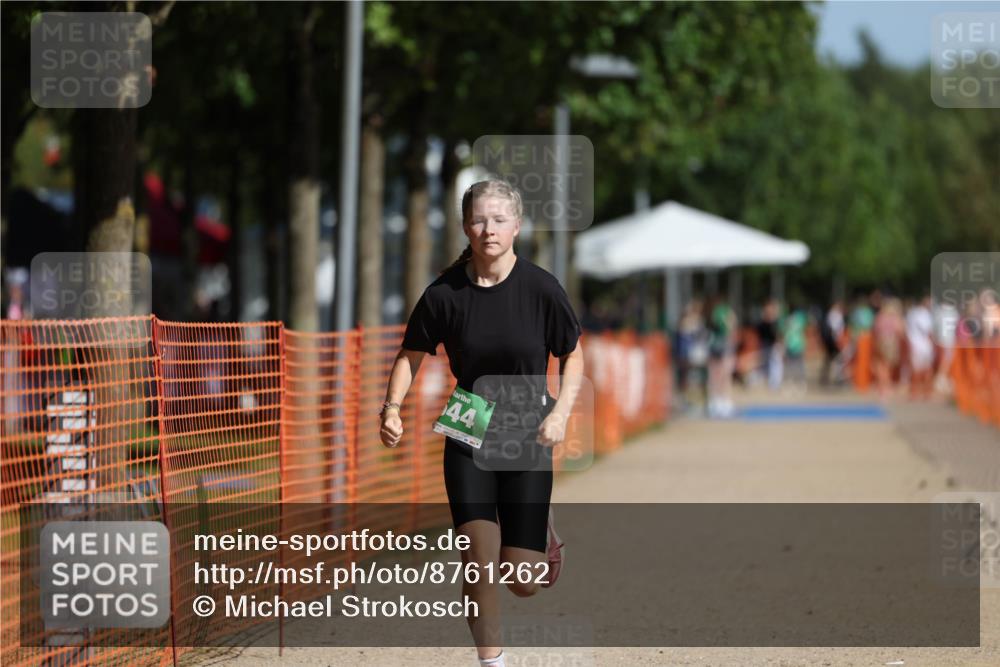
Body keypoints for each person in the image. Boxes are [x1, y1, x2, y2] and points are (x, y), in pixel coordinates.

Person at [379, 180, 584, 667]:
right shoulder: (444, 294)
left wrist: (560, 413)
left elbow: (572, 355)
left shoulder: (541, 289)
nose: (488, 229)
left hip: (527, 425)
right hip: (470, 421)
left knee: (522, 581)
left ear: (516, 226)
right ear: (465, 227)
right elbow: (410, 355)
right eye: (478, 219)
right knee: (477, 559)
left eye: (498, 219)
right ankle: (492, 662)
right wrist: (391, 408)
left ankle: (540, 535)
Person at [706, 295, 737, 418]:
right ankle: (722, 402)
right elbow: (730, 327)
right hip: (721, 346)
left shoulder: (713, 313)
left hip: (715, 346)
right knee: (723, 375)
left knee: (716, 376)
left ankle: (717, 402)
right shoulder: (723, 312)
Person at [905, 295, 934, 399]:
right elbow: (928, 331)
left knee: (915, 369)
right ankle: (926, 392)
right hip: (924, 346)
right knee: (927, 369)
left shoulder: (911, 313)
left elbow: (906, 329)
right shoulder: (925, 314)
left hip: (914, 345)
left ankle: (914, 392)